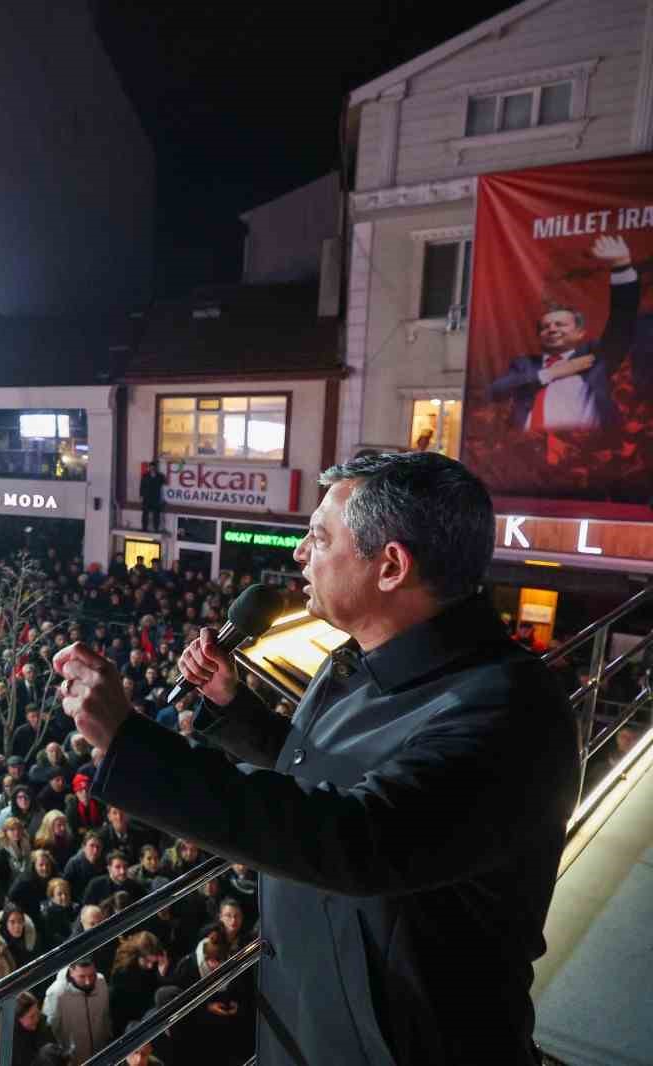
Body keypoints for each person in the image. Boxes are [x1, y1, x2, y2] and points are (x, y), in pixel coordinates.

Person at [54, 450, 578, 1064]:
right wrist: (235, 707)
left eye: (319, 537)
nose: (300, 553)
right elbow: (328, 775)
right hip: (312, 1024)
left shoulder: (507, 714)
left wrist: (131, 742)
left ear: (391, 566)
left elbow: (362, 834)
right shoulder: (356, 659)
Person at [487, 234, 641, 432]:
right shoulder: (524, 365)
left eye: (560, 324)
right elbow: (496, 391)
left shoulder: (595, 359)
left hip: (584, 454)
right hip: (528, 453)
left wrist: (622, 266)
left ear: (580, 333)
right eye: (546, 326)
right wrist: (551, 373)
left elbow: (623, 321)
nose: (552, 328)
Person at [41, 958, 112, 1065]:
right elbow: (50, 1030)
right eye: (82, 976)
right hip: (72, 1060)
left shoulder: (101, 982)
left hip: (100, 1054)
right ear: (71, 971)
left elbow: (105, 1017)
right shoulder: (56, 993)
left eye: (92, 975)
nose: (88, 981)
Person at [140, 462, 167, 532]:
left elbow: (164, 485)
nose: (152, 469)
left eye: (154, 467)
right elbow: (142, 486)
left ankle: (156, 528)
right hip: (147, 497)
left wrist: (162, 499)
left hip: (156, 497)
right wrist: (141, 495)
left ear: (156, 468)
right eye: (151, 467)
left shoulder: (160, 476)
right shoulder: (145, 475)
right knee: (145, 513)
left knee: (156, 514)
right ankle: (144, 528)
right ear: (149, 468)